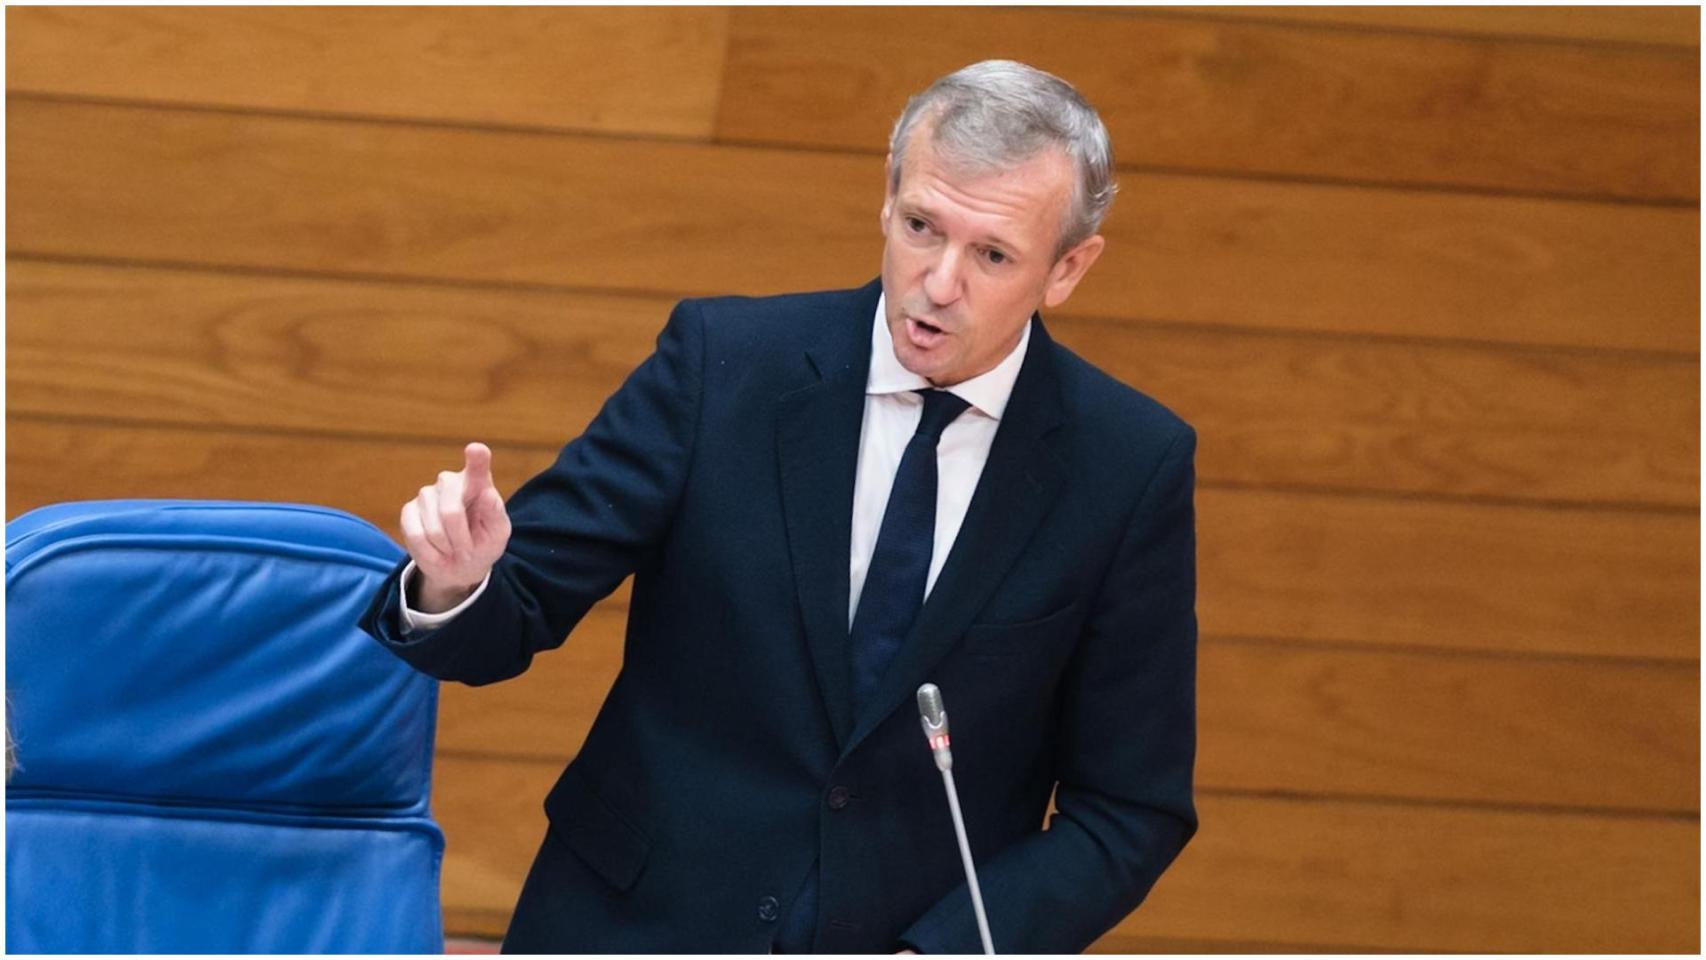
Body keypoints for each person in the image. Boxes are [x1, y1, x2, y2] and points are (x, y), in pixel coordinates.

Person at [360, 59, 1197, 954]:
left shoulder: (1126, 464)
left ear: (1068, 268)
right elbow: (517, 607)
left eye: (991, 254)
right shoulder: (724, 366)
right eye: (921, 226)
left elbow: (1128, 809)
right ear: (887, 198)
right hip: (634, 921)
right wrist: (456, 585)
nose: (939, 283)